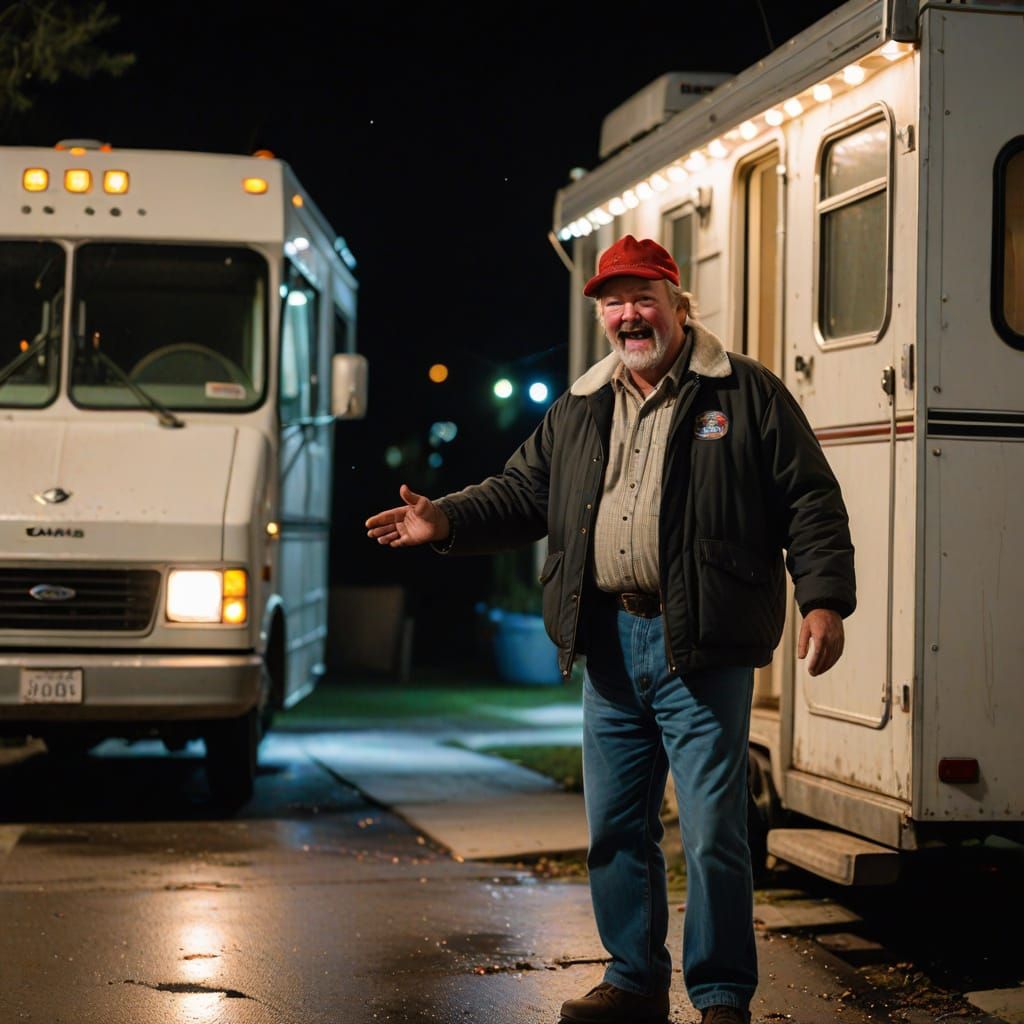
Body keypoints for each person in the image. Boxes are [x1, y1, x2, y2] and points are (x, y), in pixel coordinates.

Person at [365, 235, 856, 1024]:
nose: (630, 316)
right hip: (610, 645)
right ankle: (633, 980)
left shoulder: (747, 393)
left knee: (712, 832)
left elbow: (811, 500)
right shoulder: (580, 408)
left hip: (702, 645)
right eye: (614, 303)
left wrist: (825, 598)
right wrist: (445, 518)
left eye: (643, 299)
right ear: (602, 316)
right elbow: (521, 493)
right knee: (616, 829)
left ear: (677, 305)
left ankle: (723, 994)